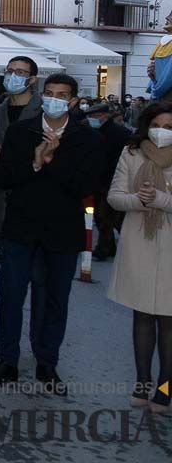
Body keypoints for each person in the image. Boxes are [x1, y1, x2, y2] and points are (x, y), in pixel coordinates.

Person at [0, 74, 102, 392]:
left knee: (54, 300)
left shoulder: (86, 138)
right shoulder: (21, 131)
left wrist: (51, 161)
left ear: (73, 101)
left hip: (62, 233)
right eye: (49, 93)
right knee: (11, 295)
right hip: (20, 229)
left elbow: (87, 186)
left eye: (62, 95)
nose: (54, 100)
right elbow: (5, 177)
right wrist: (35, 164)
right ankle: (7, 360)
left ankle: (47, 363)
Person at [0, 56, 44, 355]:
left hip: (39, 209)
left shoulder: (45, 110)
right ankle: (6, 340)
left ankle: (41, 344)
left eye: (20, 72)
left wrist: (12, 159)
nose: (13, 76)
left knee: (42, 284)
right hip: (4, 207)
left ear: (32, 78)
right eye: (10, 71)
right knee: (10, 284)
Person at [107, 102, 172, 414]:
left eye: (170, 126)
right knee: (142, 316)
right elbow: (114, 197)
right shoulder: (131, 153)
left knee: (169, 321)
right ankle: (142, 381)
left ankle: (165, 387)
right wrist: (138, 200)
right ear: (147, 125)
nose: (163, 131)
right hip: (139, 243)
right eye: (158, 124)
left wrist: (162, 200)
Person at [84, 101, 130, 261]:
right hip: (97, 180)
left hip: (112, 179)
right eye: (90, 116)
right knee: (103, 216)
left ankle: (103, 248)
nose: (92, 119)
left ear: (105, 116)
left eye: (95, 116)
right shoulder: (90, 130)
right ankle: (109, 246)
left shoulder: (119, 133)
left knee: (105, 216)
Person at [150, 14, 172, 101]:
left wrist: (156, 89)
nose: (167, 17)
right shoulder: (163, 41)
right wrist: (153, 79)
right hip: (160, 93)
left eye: (171, 15)